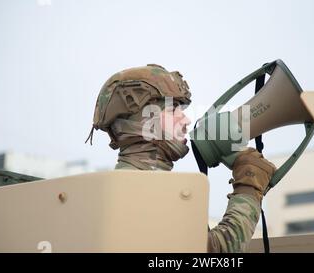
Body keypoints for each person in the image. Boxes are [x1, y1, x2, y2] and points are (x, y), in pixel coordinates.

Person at [85, 64, 276, 253]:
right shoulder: (150, 190)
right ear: (143, 122)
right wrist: (249, 187)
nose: (185, 120)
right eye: (172, 110)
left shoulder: (107, 193)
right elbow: (213, 254)